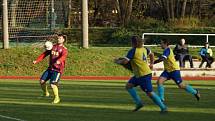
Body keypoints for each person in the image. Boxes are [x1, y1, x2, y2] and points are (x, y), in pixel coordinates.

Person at [114, 36, 167, 113]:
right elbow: (152, 54)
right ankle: (139, 103)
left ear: (133, 43)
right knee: (128, 86)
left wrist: (117, 61)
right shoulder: (144, 49)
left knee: (149, 93)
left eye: (131, 42)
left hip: (144, 75)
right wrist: (151, 63)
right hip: (140, 74)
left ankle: (163, 107)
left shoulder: (133, 51)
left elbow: (125, 62)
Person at [154, 39, 200, 103]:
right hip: (167, 71)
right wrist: (156, 54)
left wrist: (153, 63)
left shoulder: (167, 50)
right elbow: (163, 57)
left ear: (165, 44)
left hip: (174, 70)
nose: (160, 44)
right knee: (159, 82)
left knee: (181, 85)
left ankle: (195, 92)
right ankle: (161, 99)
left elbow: (162, 58)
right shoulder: (166, 50)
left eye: (161, 43)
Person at [33, 34, 68, 104]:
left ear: (63, 40)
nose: (58, 39)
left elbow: (64, 56)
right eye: (58, 38)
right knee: (42, 81)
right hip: (50, 68)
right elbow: (44, 54)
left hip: (57, 70)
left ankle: (57, 98)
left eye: (60, 38)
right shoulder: (53, 47)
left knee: (53, 84)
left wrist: (59, 61)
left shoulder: (64, 49)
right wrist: (37, 60)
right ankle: (46, 93)